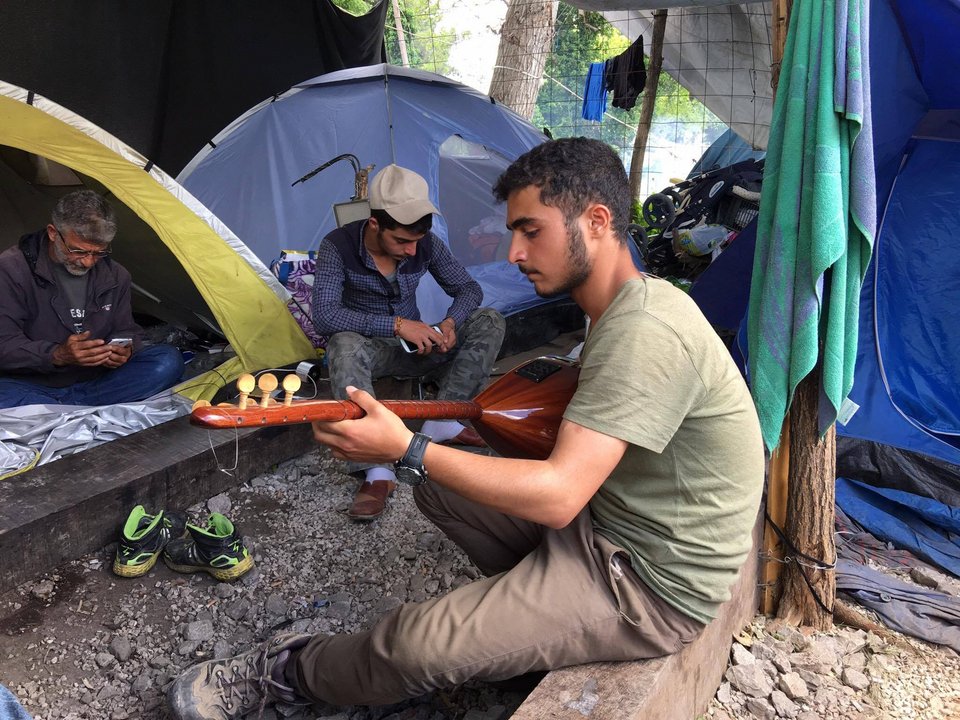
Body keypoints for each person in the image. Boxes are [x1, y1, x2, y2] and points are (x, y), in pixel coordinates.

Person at [167, 138, 765, 720]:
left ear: (597, 221)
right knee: (437, 487)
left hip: (643, 584)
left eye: (530, 231)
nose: (514, 252)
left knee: (412, 643)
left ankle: (285, 673)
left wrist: (409, 444)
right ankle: (528, 626)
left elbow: (558, 495)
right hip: (606, 524)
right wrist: (404, 362)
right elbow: (326, 316)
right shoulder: (623, 309)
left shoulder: (644, 331)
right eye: (513, 232)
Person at [310, 164, 506, 520]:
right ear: (374, 225)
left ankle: (443, 422)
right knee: (343, 344)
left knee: (489, 320)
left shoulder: (425, 244)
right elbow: (324, 316)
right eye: (402, 241)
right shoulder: (337, 246)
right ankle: (377, 472)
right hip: (371, 351)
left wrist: (449, 322)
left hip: (420, 348)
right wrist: (397, 325)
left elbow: (468, 288)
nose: (412, 251)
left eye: (417, 241)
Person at [0, 190, 183, 408]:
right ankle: (80, 409)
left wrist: (124, 350)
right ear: (53, 233)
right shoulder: (11, 269)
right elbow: (4, 345)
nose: (87, 262)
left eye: (98, 253)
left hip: (94, 381)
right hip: (31, 383)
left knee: (167, 361)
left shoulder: (116, 275)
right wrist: (57, 354)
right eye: (78, 251)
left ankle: (59, 411)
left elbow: (126, 330)